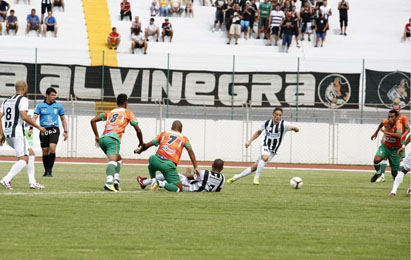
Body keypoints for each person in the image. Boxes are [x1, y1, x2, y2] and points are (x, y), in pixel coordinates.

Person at [227, 108, 299, 185]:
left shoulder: (284, 124)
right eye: (276, 114)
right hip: (264, 144)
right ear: (273, 114)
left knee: (254, 167)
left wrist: (294, 128)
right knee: (265, 158)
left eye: (280, 115)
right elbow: (258, 132)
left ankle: (236, 177)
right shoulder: (266, 123)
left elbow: (297, 129)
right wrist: (249, 141)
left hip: (273, 150)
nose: (278, 116)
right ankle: (256, 178)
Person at [90, 94, 144, 192]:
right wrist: (141, 142)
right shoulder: (128, 112)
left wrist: (97, 136)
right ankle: (109, 183)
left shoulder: (110, 112)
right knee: (113, 161)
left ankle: (116, 182)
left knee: (118, 159)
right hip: (113, 139)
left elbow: (93, 121)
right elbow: (138, 130)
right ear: (125, 103)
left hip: (103, 139)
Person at [0, 80, 46, 190]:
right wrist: (38, 127)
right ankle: (6, 179)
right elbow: (24, 116)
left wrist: (2, 134)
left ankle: (32, 182)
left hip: (8, 134)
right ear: (24, 88)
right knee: (24, 159)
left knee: (30, 153)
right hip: (17, 133)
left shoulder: (6, 101)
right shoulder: (23, 99)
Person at [134, 120, 199, 192]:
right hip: (168, 165)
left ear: (171, 127)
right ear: (181, 129)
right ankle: (159, 183)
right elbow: (190, 151)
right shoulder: (184, 138)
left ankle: (149, 182)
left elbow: (147, 145)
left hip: (154, 161)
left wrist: (139, 151)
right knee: (179, 188)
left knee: (152, 162)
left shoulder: (164, 133)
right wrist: (195, 167)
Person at [29, 87, 67, 177]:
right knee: (45, 151)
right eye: (52, 95)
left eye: (55, 95)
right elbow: (34, 118)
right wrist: (31, 128)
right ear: (47, 95)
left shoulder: (58, 106)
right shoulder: (40, 106)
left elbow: (63, 118)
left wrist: (66, 131)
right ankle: (46, 171)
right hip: (43, 130)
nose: (54, 97)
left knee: (52, 148)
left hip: (54, 129)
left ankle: (50, 171)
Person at [137, 159, 225, 192]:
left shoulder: (205, 172)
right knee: (173, 177)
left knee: (172, 174)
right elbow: (218, 190)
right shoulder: (223, 178)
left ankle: (149, 182)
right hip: (196, 188)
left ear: (212, 165)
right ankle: (148, 183)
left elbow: (189, 177)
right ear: (222, 168)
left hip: (189, 187)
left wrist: (187, 172)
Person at [377, 103, 410, 182]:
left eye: (397, 109)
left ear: (400, 109)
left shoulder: (403, 118)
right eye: (394, 109)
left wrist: (402, 136)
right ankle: (382, 176)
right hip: (390, 140)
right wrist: (383, 137)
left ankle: (398, 177)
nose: (396, 110)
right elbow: (387, 129)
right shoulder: (391, 117)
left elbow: (408, 129)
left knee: (400, 159)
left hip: (400, 141)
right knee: (385, 156)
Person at [370, 110, 403, 183]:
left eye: (392, 117)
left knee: (394, 173)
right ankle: (378, 173)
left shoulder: (398, 125)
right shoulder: (385, 122)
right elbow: (381, 124)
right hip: (385, 146)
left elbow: (399, 135)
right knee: (376, 159)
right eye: (389, 116)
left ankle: (395, 188)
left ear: (396, 118)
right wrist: (375, 133)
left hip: (395, 150)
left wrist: (386, 132)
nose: (390, 118)